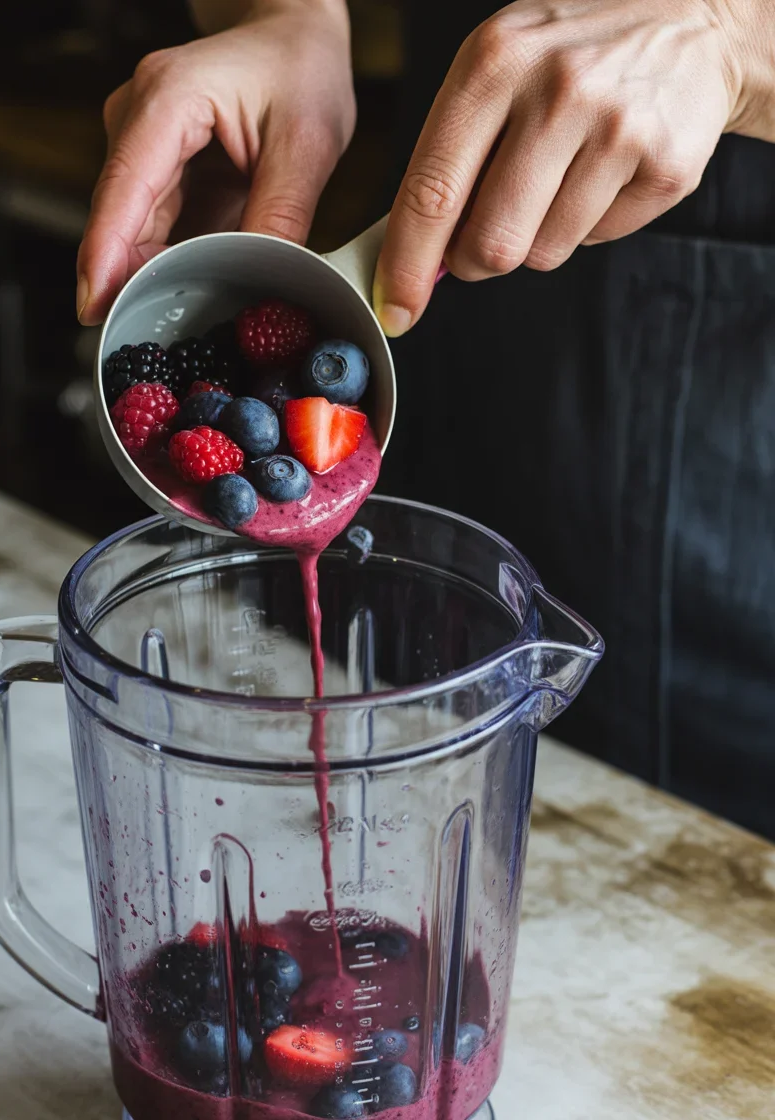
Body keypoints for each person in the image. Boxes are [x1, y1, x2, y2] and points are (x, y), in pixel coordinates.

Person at [75, 0, 775, 840]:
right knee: (376, 758)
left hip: (740, 466)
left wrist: (732, 36)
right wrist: (283, 18)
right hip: (442, 329)